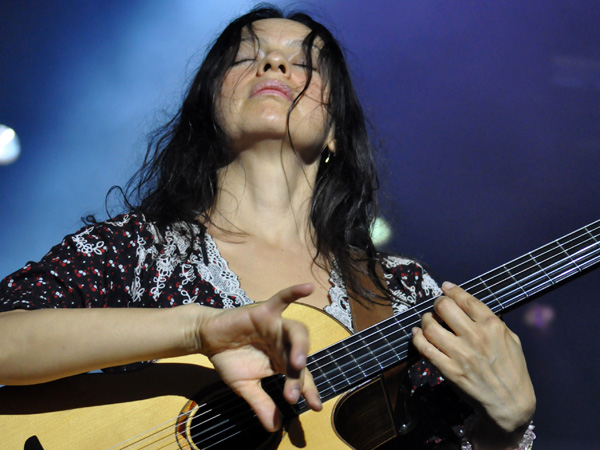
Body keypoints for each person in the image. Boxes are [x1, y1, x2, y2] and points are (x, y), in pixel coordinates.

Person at [0, 5, 535, 449]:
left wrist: (502, 431)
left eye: (306, 63)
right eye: (247, 57)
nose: (275, 64)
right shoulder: (137, 249)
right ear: (211, 105)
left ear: (335, 132)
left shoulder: (400, 291)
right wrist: (195, 331)